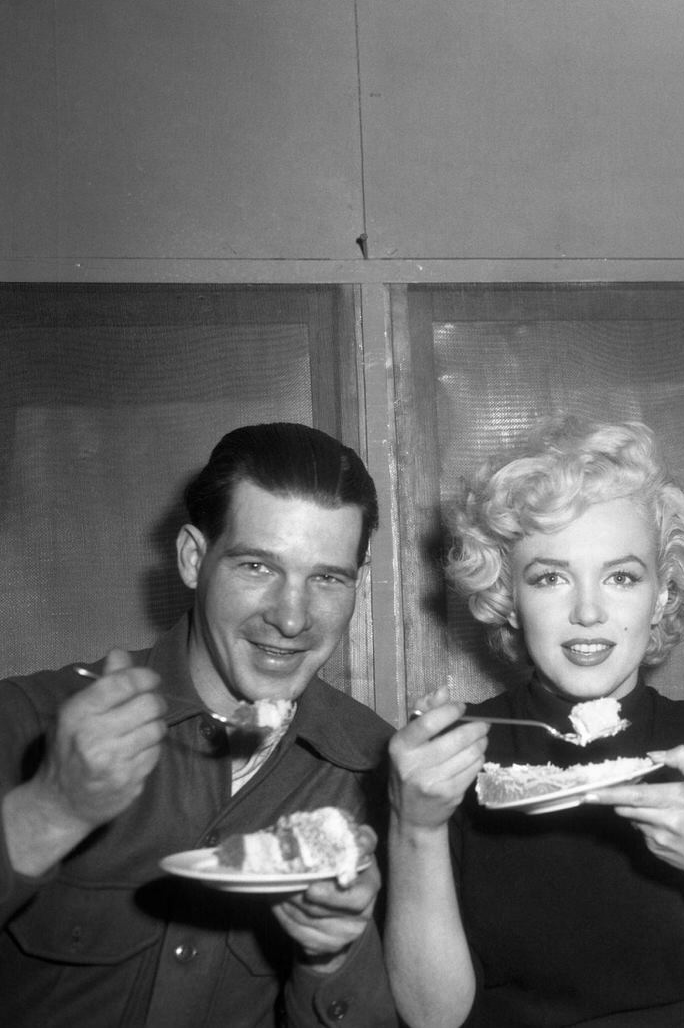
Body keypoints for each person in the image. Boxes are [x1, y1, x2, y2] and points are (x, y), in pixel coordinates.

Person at [385, 416, 684, 1028]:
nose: (586, 611)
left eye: (622, 576)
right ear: (508, 596)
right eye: (550, 577)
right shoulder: (446, 762)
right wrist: (413, 827)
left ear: (660, 595)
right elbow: (429, 1018)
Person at [0, 423, 398, 1028]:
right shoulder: (28, 718)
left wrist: (332, 954)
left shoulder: (375, 770)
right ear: (193, 558)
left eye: (326, 578)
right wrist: (50, 811)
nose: (292, 619)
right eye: (258, 567)